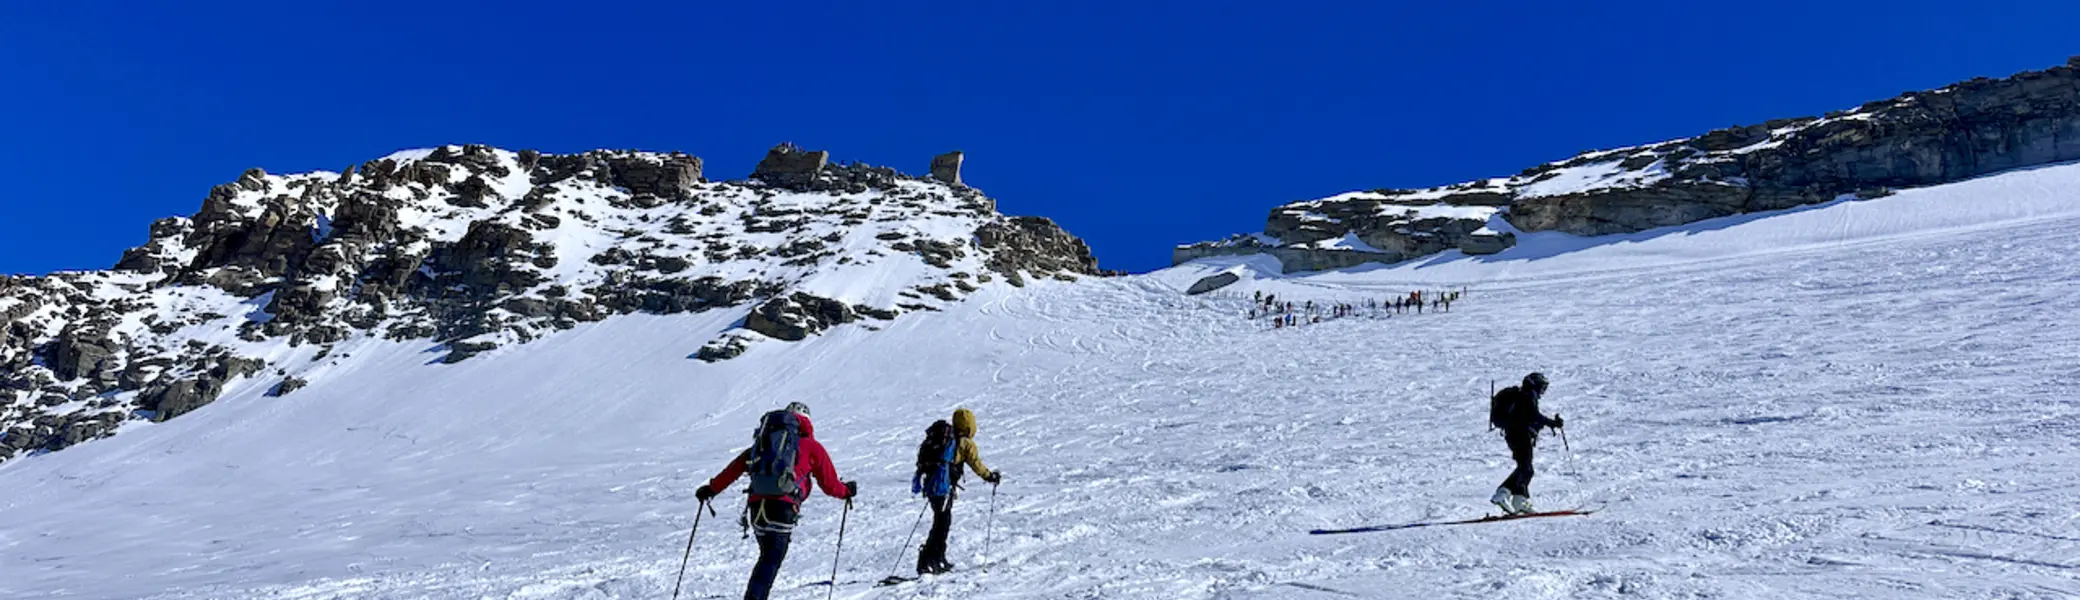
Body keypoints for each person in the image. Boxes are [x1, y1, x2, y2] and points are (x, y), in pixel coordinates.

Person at [696, 402, 857, 600]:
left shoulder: (763, 444)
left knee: (767, 556)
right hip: (783, 507)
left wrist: (711, 489)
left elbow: (734, 469)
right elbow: (829, 484)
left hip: (757, 508)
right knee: (771, 559)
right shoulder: (811, 447)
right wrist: (846, 491)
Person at [915, 408, 1001, 575]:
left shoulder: (947, 439)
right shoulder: (965, 443)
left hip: (932, 486)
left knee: (941, 522)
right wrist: (990, 476)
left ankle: (937, 558)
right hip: (943, 488)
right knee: (942, 524)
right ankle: (930, 560)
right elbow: (976, 464)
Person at [1490, 373, 1562, 515]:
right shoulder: (1527, 396)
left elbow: (1528, 417)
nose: (1543, 391)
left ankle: (1519, 500)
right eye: (1542, 387)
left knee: (1526, 468)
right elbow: (1534, 415)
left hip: (1516, 434)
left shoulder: (1523, 396)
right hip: (1519, 434)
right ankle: (1502, 493)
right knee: (1525, 468)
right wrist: (1552, 423)